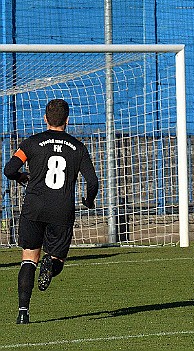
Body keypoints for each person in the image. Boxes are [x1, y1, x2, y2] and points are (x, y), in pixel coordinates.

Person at [4, 99, 99, 324]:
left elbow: (9, 169)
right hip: (61, 209)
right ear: (67, 120)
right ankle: (52, 265)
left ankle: (23, 312)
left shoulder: (31, 143)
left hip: (34, 207)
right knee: (57, 259)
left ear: (45, 119)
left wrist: (21, 177)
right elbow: (92, 182)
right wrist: (89, 200)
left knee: (29, 257)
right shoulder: (78, 148)